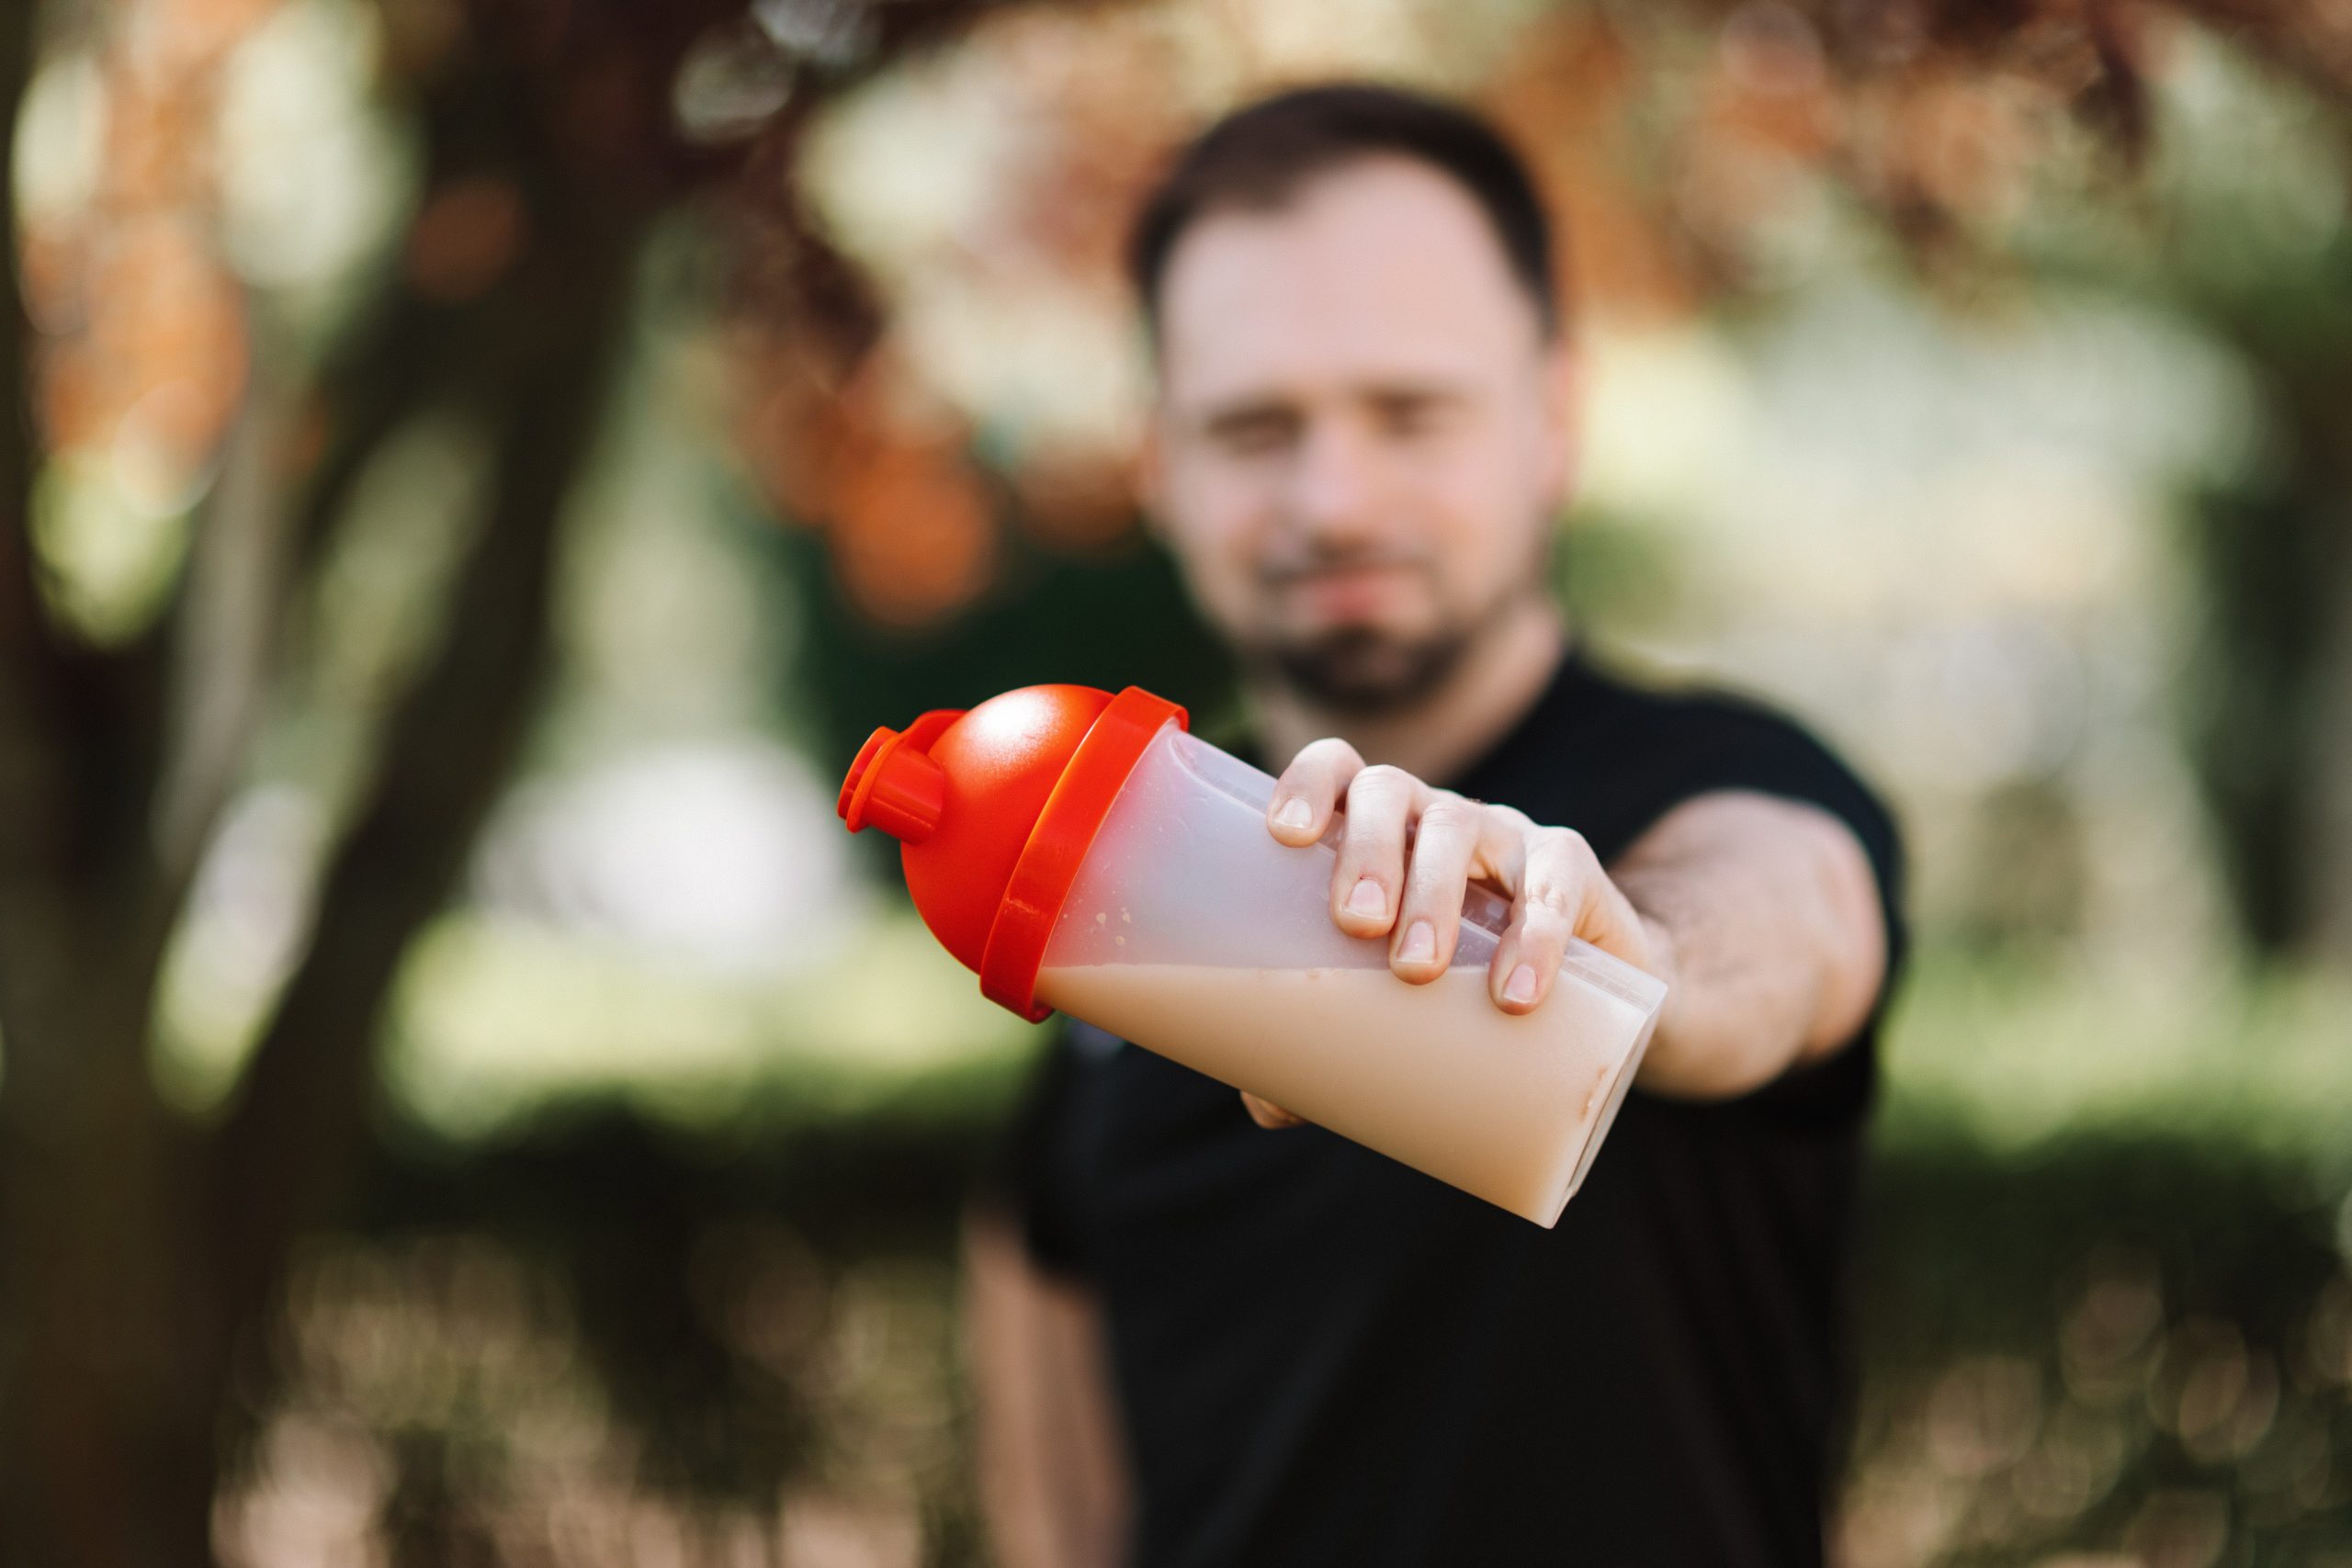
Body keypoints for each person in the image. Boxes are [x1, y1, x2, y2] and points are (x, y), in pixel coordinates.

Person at [961, 83, 1906, 1568]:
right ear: (1161, 463)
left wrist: (1632, 961)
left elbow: (1790, 922)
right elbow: (1060, 1492)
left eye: (1412, 413)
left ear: (1554, 422)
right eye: (1256, 426)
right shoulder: (1101, 933)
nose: (1334, 499)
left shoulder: (1721, 792)